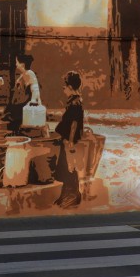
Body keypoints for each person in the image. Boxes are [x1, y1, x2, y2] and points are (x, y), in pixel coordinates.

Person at [54, 70, 85, 208]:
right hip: (66, 139)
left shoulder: (75, 103)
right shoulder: (74, 101)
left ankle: (73, 195)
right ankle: (66, 195)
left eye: (65, 86)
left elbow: (74, 124)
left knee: (69, 168)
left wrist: (71, 141)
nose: (63, 88)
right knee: (66, 168)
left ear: (70, 87)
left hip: (69, 141)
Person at [3, 54, 41, 134]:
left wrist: (33, 100)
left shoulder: (29, 73)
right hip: (19, 103)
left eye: (17, 62)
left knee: (14, 120)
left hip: (25, 103)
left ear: (22, 64)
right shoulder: (23, 74)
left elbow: (35, 88)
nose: (16, 64)